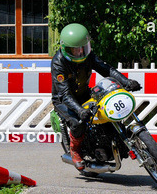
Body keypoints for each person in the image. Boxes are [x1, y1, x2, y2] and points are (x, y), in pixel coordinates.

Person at [51, 23, 141, 170]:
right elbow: (65, 93)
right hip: (63, 100)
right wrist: (79, 110)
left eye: (82, 47)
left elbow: (107, 69)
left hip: (84, 93)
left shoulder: (88, 56)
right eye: (75, 49)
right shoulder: (58, 63)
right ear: (66, 48)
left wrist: (126, 81)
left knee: (106, 110)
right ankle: (75, 151)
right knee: (77, 122)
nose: (80, 52)